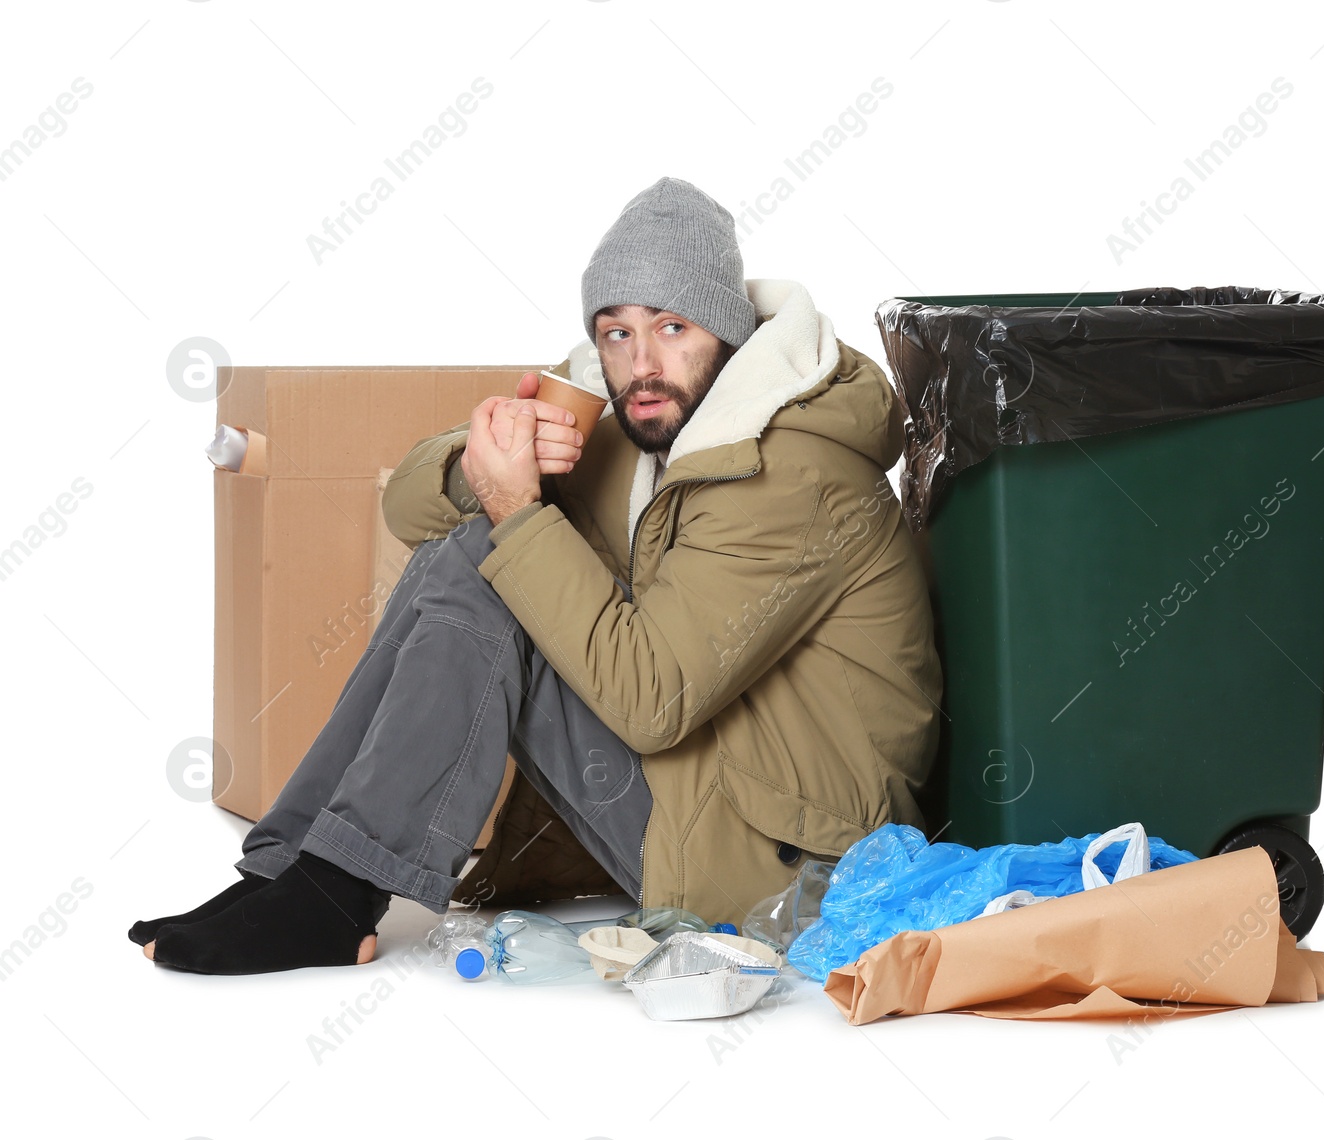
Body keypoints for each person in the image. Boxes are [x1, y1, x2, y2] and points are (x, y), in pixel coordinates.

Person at [130, 176, 941, 974]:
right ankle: (293, 870)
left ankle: (332, 894)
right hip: (713, 793)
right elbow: (410, 511)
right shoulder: (637, 414)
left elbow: (652, 700)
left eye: (672, 327)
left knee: (497, 551)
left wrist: (519, 509)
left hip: (792, 865)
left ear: (728, 334)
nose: (642, 364)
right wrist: (492, 454)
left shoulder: (791, 471)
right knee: (475, 545)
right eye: (616, 333)